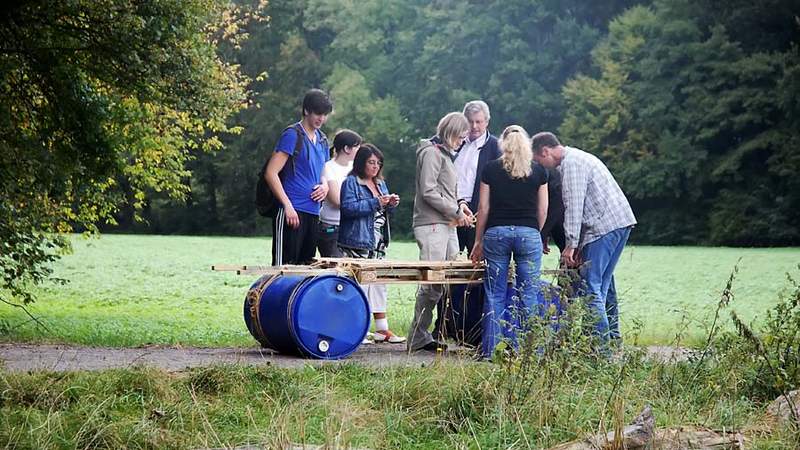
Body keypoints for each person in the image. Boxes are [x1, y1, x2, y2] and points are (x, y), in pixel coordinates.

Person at [531, 132, 636, 353]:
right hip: (619, 222)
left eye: (540, 161)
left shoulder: (572, 165)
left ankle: (600, 349)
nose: (543, 167)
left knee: (590, 287)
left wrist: (570, 244)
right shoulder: (578, 157)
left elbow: (574, 207)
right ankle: (604, 342)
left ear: (545, 151)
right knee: (602, 286)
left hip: (603, 227)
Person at [470, 125, 549, 360]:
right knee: (529, 293)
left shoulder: (491, 169)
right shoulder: (538, 171)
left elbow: (483, 208)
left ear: (502, 144)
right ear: (526, 144)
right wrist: (536, 231)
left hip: (496, 233)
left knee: (494, 293)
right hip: (528, 233)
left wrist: (478, 240)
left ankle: (490, 352)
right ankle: (529, 352)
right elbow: (542, 208)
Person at [432, 100, 502, 342]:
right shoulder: (453, 142)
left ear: (487, 122)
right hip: (448, 212)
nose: (474, 127)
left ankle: (472, 330)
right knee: (445, 269)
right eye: (471, 122)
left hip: (477, 216)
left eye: (479, 122)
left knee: (475, 271)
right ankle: (440, 327)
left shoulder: (495, 148)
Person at [407, 112, 473, 353]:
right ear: (450, 132)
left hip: (446, 223)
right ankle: (417, 336)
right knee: (431, 282)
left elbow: (445, 189)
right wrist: (456, 210)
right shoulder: (432, 153)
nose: (462, 141)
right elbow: (428, 191)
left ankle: (424, 334)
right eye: (461, 136)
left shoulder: (444, 154)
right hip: (432, 224)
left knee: (445, 280)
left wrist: (461, 206)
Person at [338, 144, 406, 344]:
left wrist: (391, 204)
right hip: (356, 242)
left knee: (379, 283)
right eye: (371, 162)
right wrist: (377, 203)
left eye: (378, 163)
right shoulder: (351, 182)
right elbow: (347, 208)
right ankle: (356, 328)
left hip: (378, 243)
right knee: (359, 284)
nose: (375, 166)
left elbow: (383, 214)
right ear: (361, 162)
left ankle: (382, 329)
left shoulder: (380, 183)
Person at [265, 88, 333, 265]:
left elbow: (323, 171)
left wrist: (325, 186)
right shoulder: (292, 135)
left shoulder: (323, 140)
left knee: (305, 269)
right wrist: (287, 206)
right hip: (291, 211)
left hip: (313, 212)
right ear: (306, 111)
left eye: (324, 114)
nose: (321, 118)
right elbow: (271, 173)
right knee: (284, 269)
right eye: (318, 113)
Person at [317, 129, 363, 257]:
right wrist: (363, 202)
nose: (359, 151)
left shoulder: (357, 168)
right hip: (332, 229)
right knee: (336, 270)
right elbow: (337, 200)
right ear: (347, 149)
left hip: (355, 229)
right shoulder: (327, 167)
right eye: (357, 147)